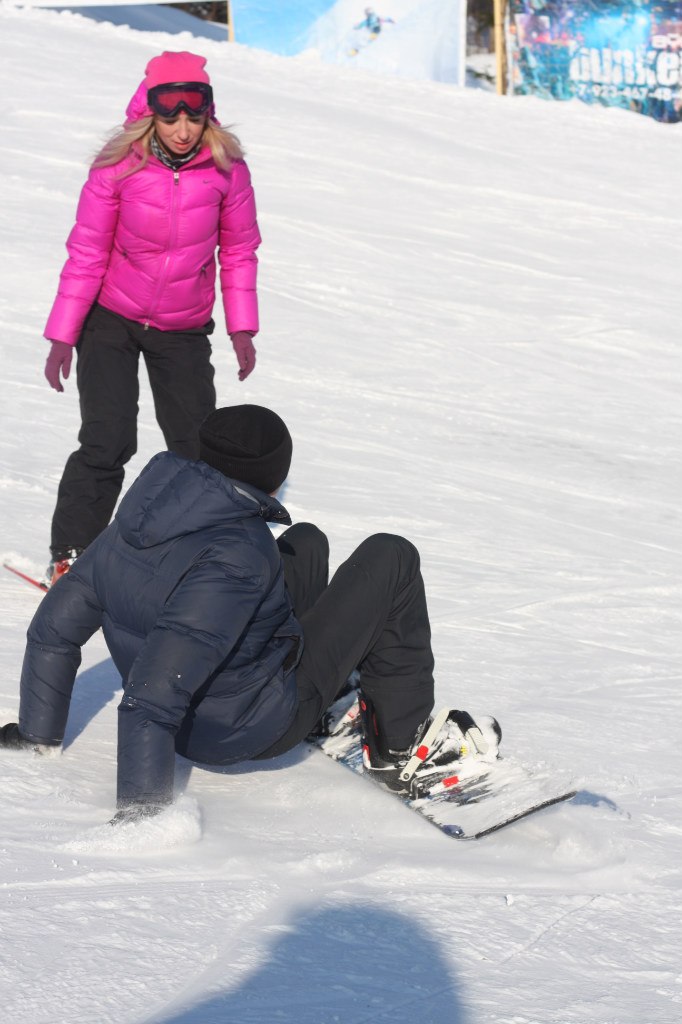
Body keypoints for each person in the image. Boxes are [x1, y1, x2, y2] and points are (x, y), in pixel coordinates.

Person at [0, 406, 500, 823]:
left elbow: (52, 631)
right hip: (247, 729)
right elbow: (154, 693)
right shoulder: (239, 555)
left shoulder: (141, 515)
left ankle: (334, 687)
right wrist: (142, 814)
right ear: (273, 476)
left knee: (306, 542)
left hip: (200, 709)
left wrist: (35, 732)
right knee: (392, 555)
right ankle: (399, 744)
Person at [42, 50, 261, 587]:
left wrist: (242, 327)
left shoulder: (227, 170)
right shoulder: (118, 167)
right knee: (107, 439)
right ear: (150, 111)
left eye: (194, 115)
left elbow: (239, 251)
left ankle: (189, 558)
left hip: (183, 326)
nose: (183, 129)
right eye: (171, 116)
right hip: (111, 318)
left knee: (194, 448)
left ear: (208, 111)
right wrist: (63, 335)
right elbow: (88, 251)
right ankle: (72, 555)